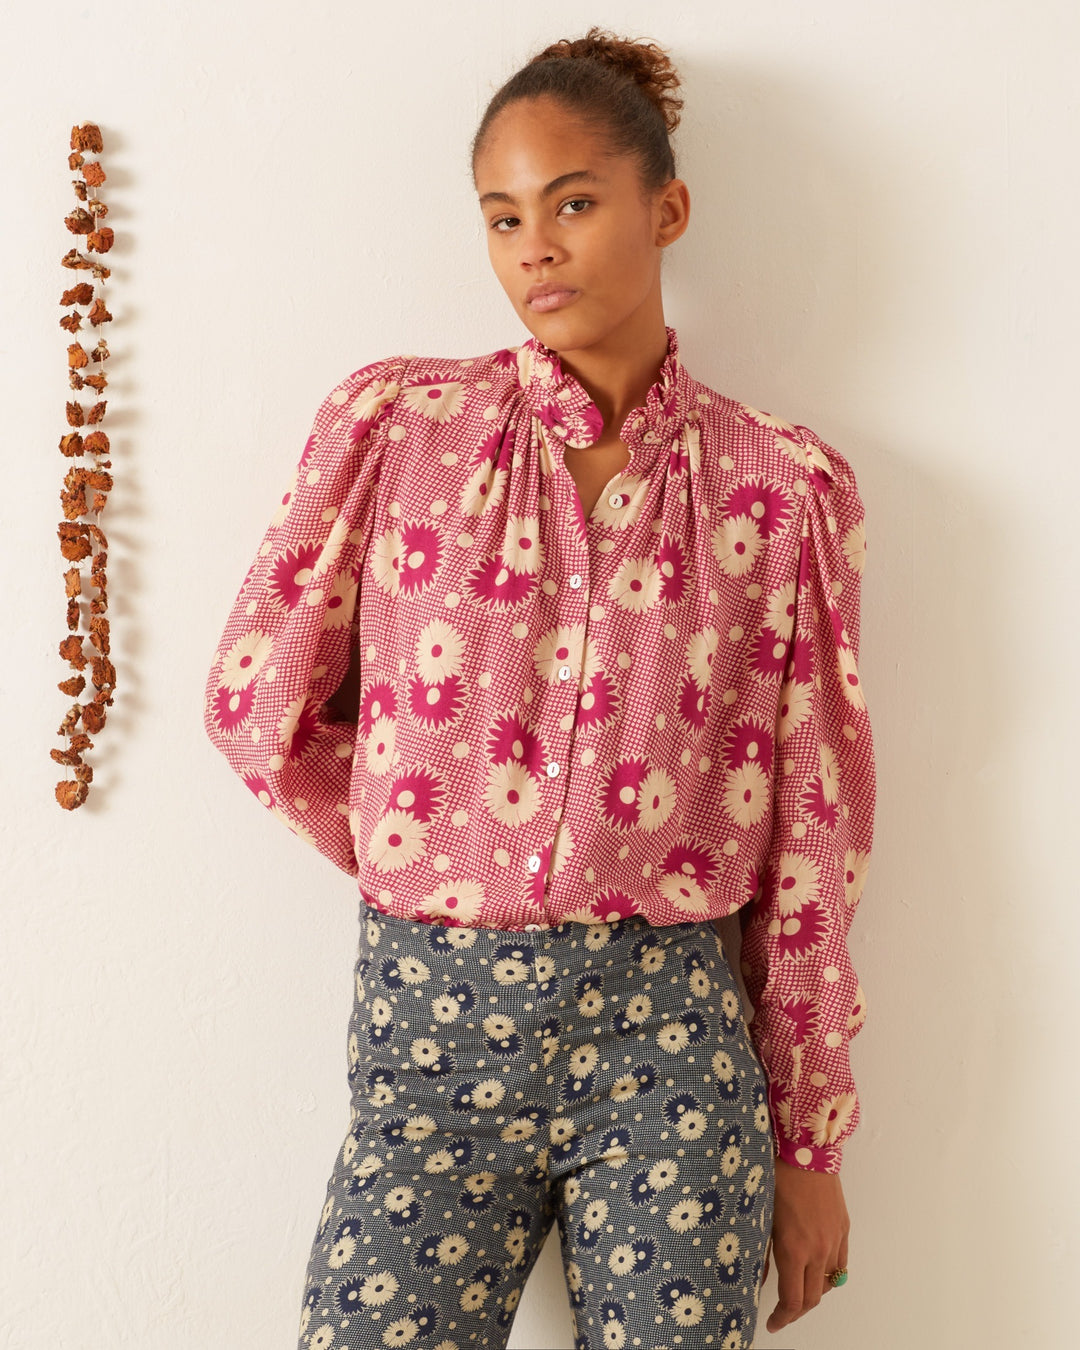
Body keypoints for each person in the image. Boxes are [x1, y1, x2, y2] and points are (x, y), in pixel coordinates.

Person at [202, 27, 875, 1350]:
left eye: (573, 202)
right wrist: (428, 836)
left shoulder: (778, 489)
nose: (537, 247)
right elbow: (254, 697)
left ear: (665, 207)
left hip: (672, 1044)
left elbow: (815, 837)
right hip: (429, 1043)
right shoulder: (400, 431)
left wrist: (812, 1140)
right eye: (504, 217)